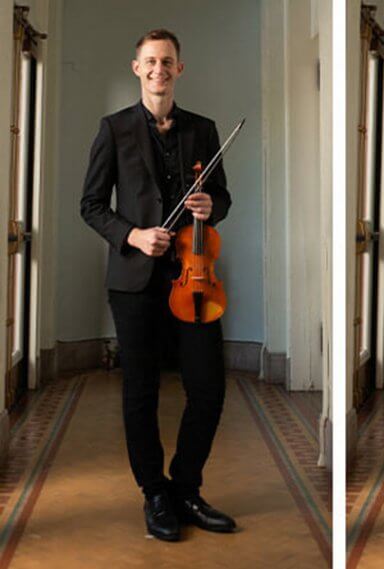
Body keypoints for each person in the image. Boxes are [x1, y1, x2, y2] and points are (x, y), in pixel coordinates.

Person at [80, 28, 236, 542]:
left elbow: (222, 198)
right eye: (150, 61)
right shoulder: (115, 128)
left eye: (167, 61)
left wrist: (212, 206)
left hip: (194, 278)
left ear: (179, 69)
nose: (158, 69)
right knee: (141, 392)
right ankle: (154, 494)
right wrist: (133, 235)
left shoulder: (204, 130)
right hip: (134, 281)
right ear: (137, 68)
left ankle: (185, 488)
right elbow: (93, 205)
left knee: (208, 387)